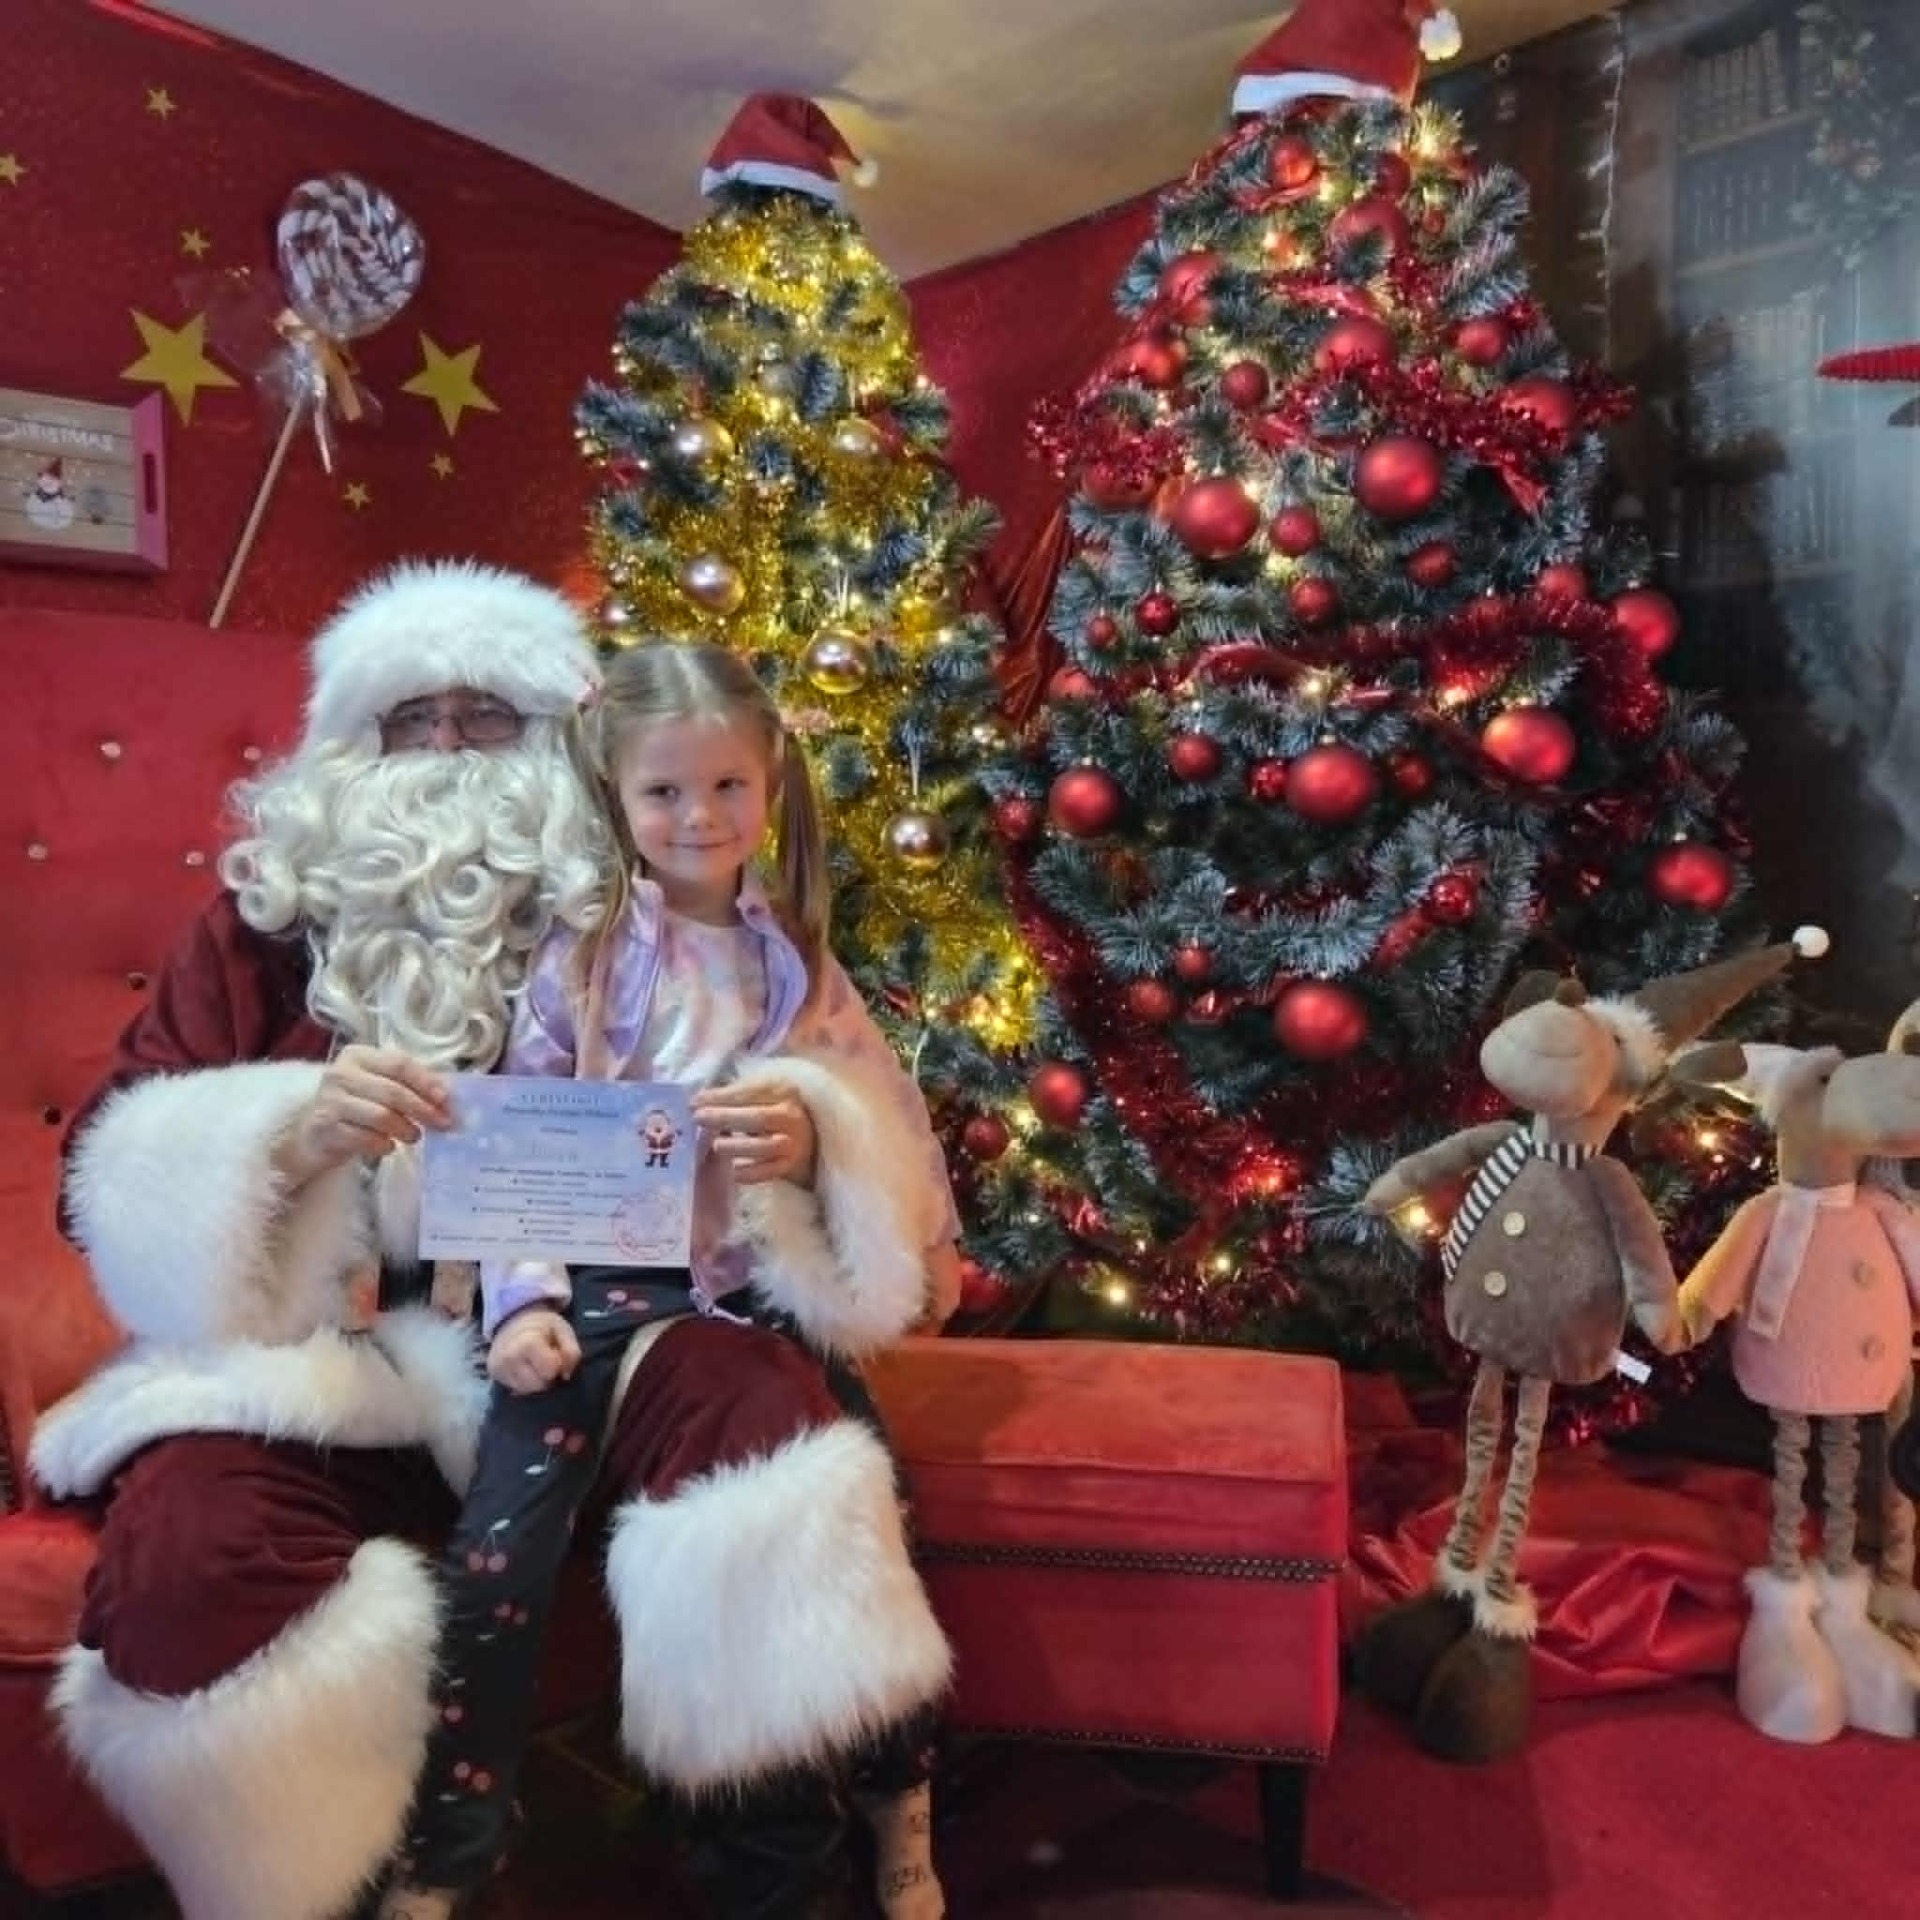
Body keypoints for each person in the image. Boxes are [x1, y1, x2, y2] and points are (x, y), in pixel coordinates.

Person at [32, 565, 950, 1920]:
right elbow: (104, 1176)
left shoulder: (657, 913)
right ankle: (330, 1887)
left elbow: (834, 1086)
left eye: (489, 718)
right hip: (328, 1360)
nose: (450, 750)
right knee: (194, 1550)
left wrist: (811, 1137)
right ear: (349, 750)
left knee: (761, 1425)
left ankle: (766, 1868)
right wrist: (286, 1131)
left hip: (610, 1319)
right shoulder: (264, 924)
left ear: (567, 747)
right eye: (412, 721)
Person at [380, 640, 958, 1920]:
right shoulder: (580, 963)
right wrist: (524, 1303)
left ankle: (898, 1788)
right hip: (593, 1290)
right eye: (664, 792)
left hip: (749, 1293)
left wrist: (886, 1205)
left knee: (870, 1500)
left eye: (727, 786)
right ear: (617, 795)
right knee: (495, 1563)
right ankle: (450, 1847)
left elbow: (886, 1114)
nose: (699, 817)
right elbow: (515, 1138)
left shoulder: (796, 961)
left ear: (770, 786)